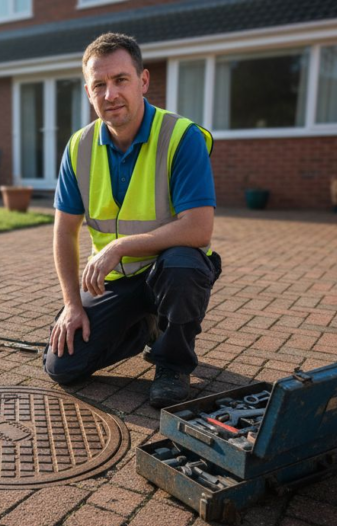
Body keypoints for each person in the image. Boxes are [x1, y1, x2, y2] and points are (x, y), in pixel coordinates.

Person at [43, 32, 222, 409]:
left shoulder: (181, 137)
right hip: (116, 281)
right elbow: (64, 231)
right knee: (62, 365)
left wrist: (121, 246)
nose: (110, 94)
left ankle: (172, 363)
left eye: (120, 80)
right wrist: (72, 305)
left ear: (143, 81)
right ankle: (146, 326)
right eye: (99, 85)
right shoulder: (79, 147)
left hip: (169, 271)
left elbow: (198, 227)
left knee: (184, 266)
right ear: (88, 92)